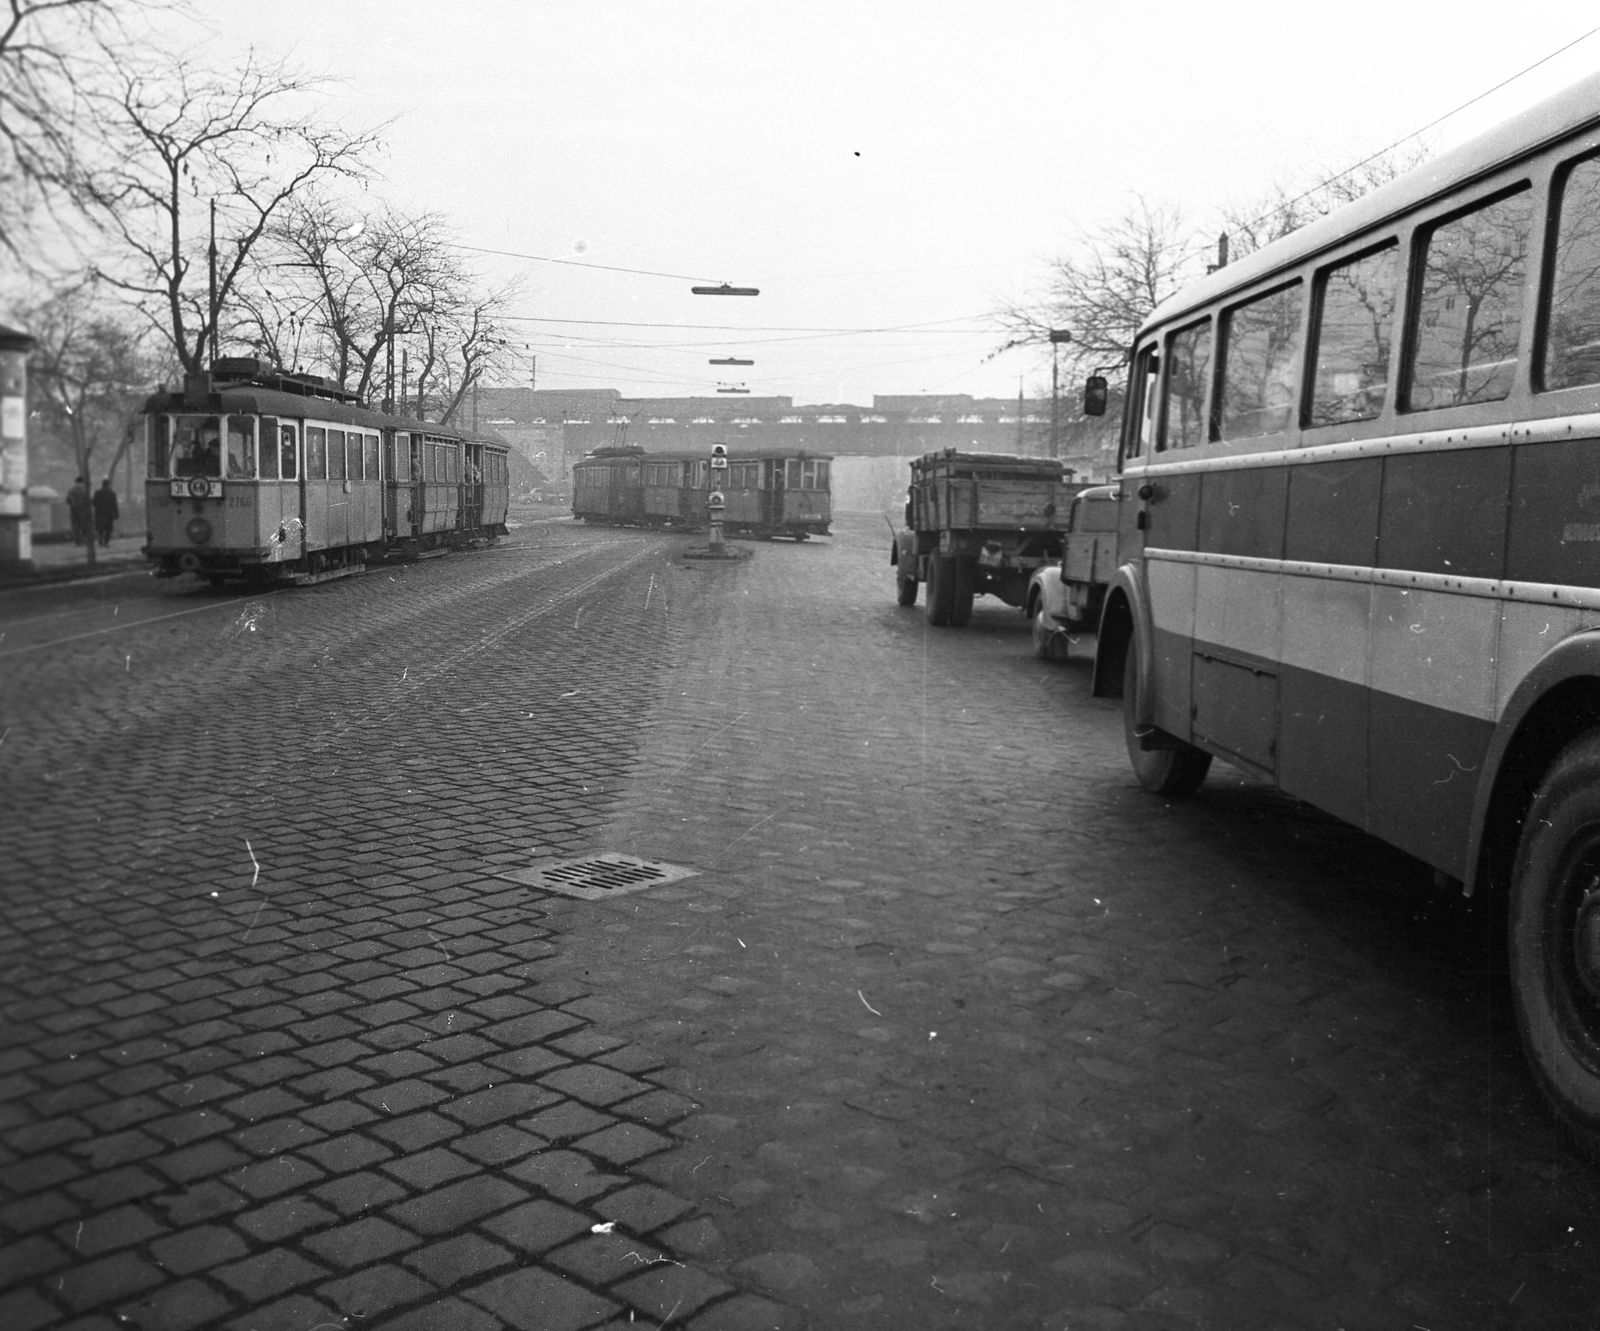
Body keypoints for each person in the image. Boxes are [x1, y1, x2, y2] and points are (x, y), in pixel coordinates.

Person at [92, 479, 119, 547]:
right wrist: (116, 513)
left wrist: (99, 507)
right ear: (108, 485)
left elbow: (93, 502)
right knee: (109, 529)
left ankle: (100, 538)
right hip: (109, 514)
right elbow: (114, 505)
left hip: (99, 514)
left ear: (102, 484)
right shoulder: (112, 493)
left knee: (100, 527)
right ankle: (106, 542)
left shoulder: (97, 493)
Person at [66, 476, 90, 546]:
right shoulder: (85, 491)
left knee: (75, 526)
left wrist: (72, 504)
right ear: (82, 482)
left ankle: (77, 541)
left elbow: (68, 500)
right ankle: (84, 539)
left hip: (73, 510)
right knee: (84, 526)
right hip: (83, 511)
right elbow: (88, 501)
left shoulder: (71, 490)